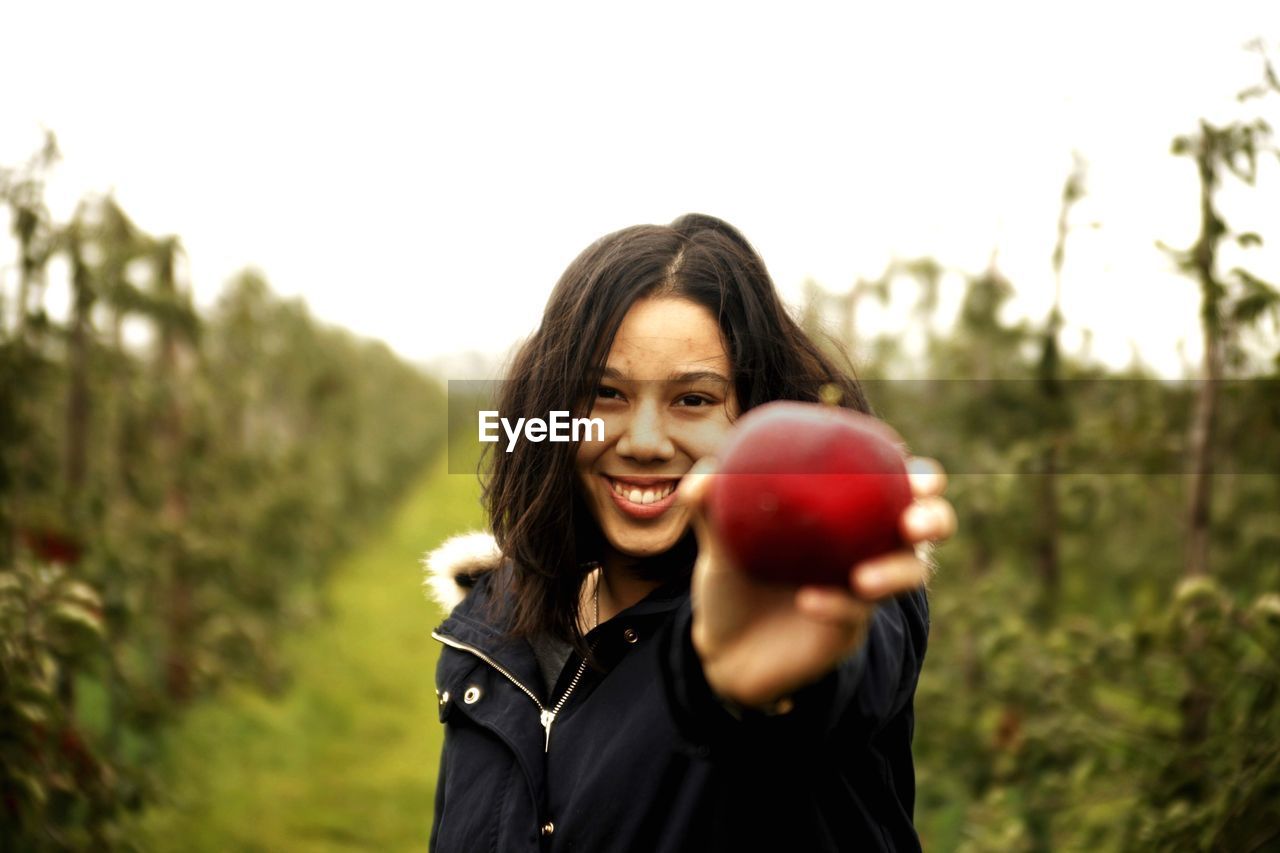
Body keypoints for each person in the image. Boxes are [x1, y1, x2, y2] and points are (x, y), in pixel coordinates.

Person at [423, 213, 956, 852]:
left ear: (757, 413)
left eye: (694, 399)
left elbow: (837, 670)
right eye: (605, 393)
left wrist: (749, 689)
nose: (645, 442)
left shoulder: (808, 598)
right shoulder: (497, 628)